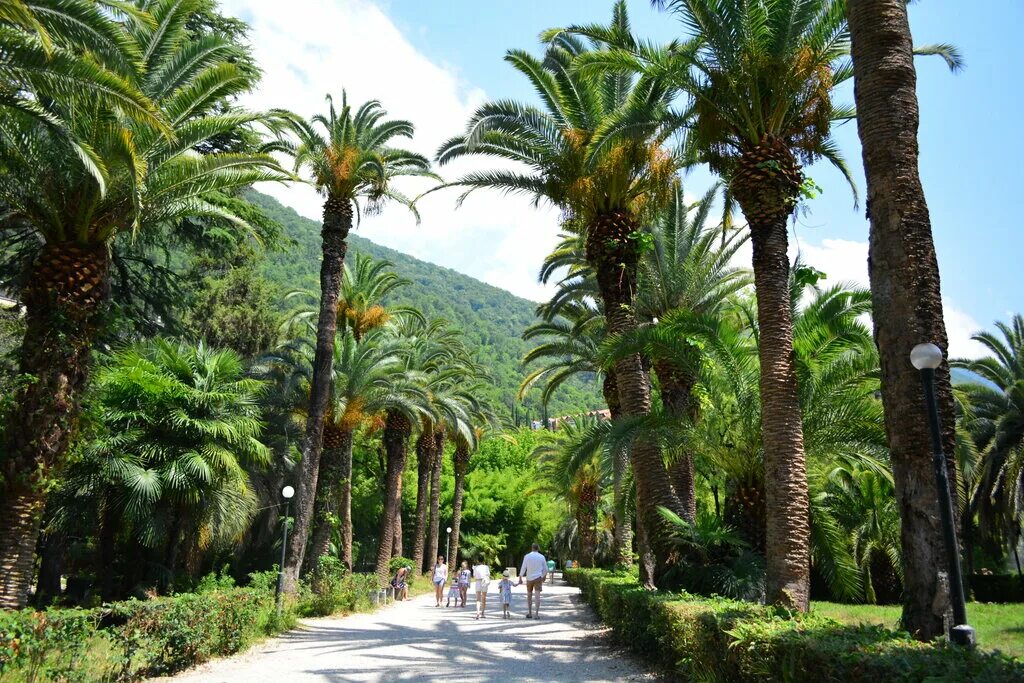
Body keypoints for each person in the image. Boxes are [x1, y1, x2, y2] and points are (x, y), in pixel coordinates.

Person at [518, 543, 548, 618]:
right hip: (538, 578)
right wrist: (544, 576)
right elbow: (546, 569)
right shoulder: (542, 557)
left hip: (529, 578)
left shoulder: (527, 556)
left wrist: (520, 577)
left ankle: (530, 613)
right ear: (538, 548)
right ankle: (537, 614)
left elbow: (523, 567)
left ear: (532, 548)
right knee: (537, 596)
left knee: (529, 595)